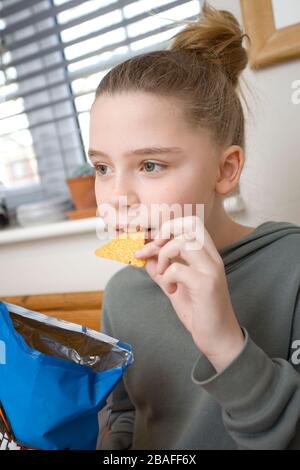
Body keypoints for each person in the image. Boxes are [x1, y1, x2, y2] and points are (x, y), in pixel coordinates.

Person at [89, 3, 300, 450]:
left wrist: (225, 341)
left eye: (149, 164)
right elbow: (127, 413)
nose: (117, 196)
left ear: (225, 170)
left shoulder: (293, 268)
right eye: (102, 167)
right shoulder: (121, 292)